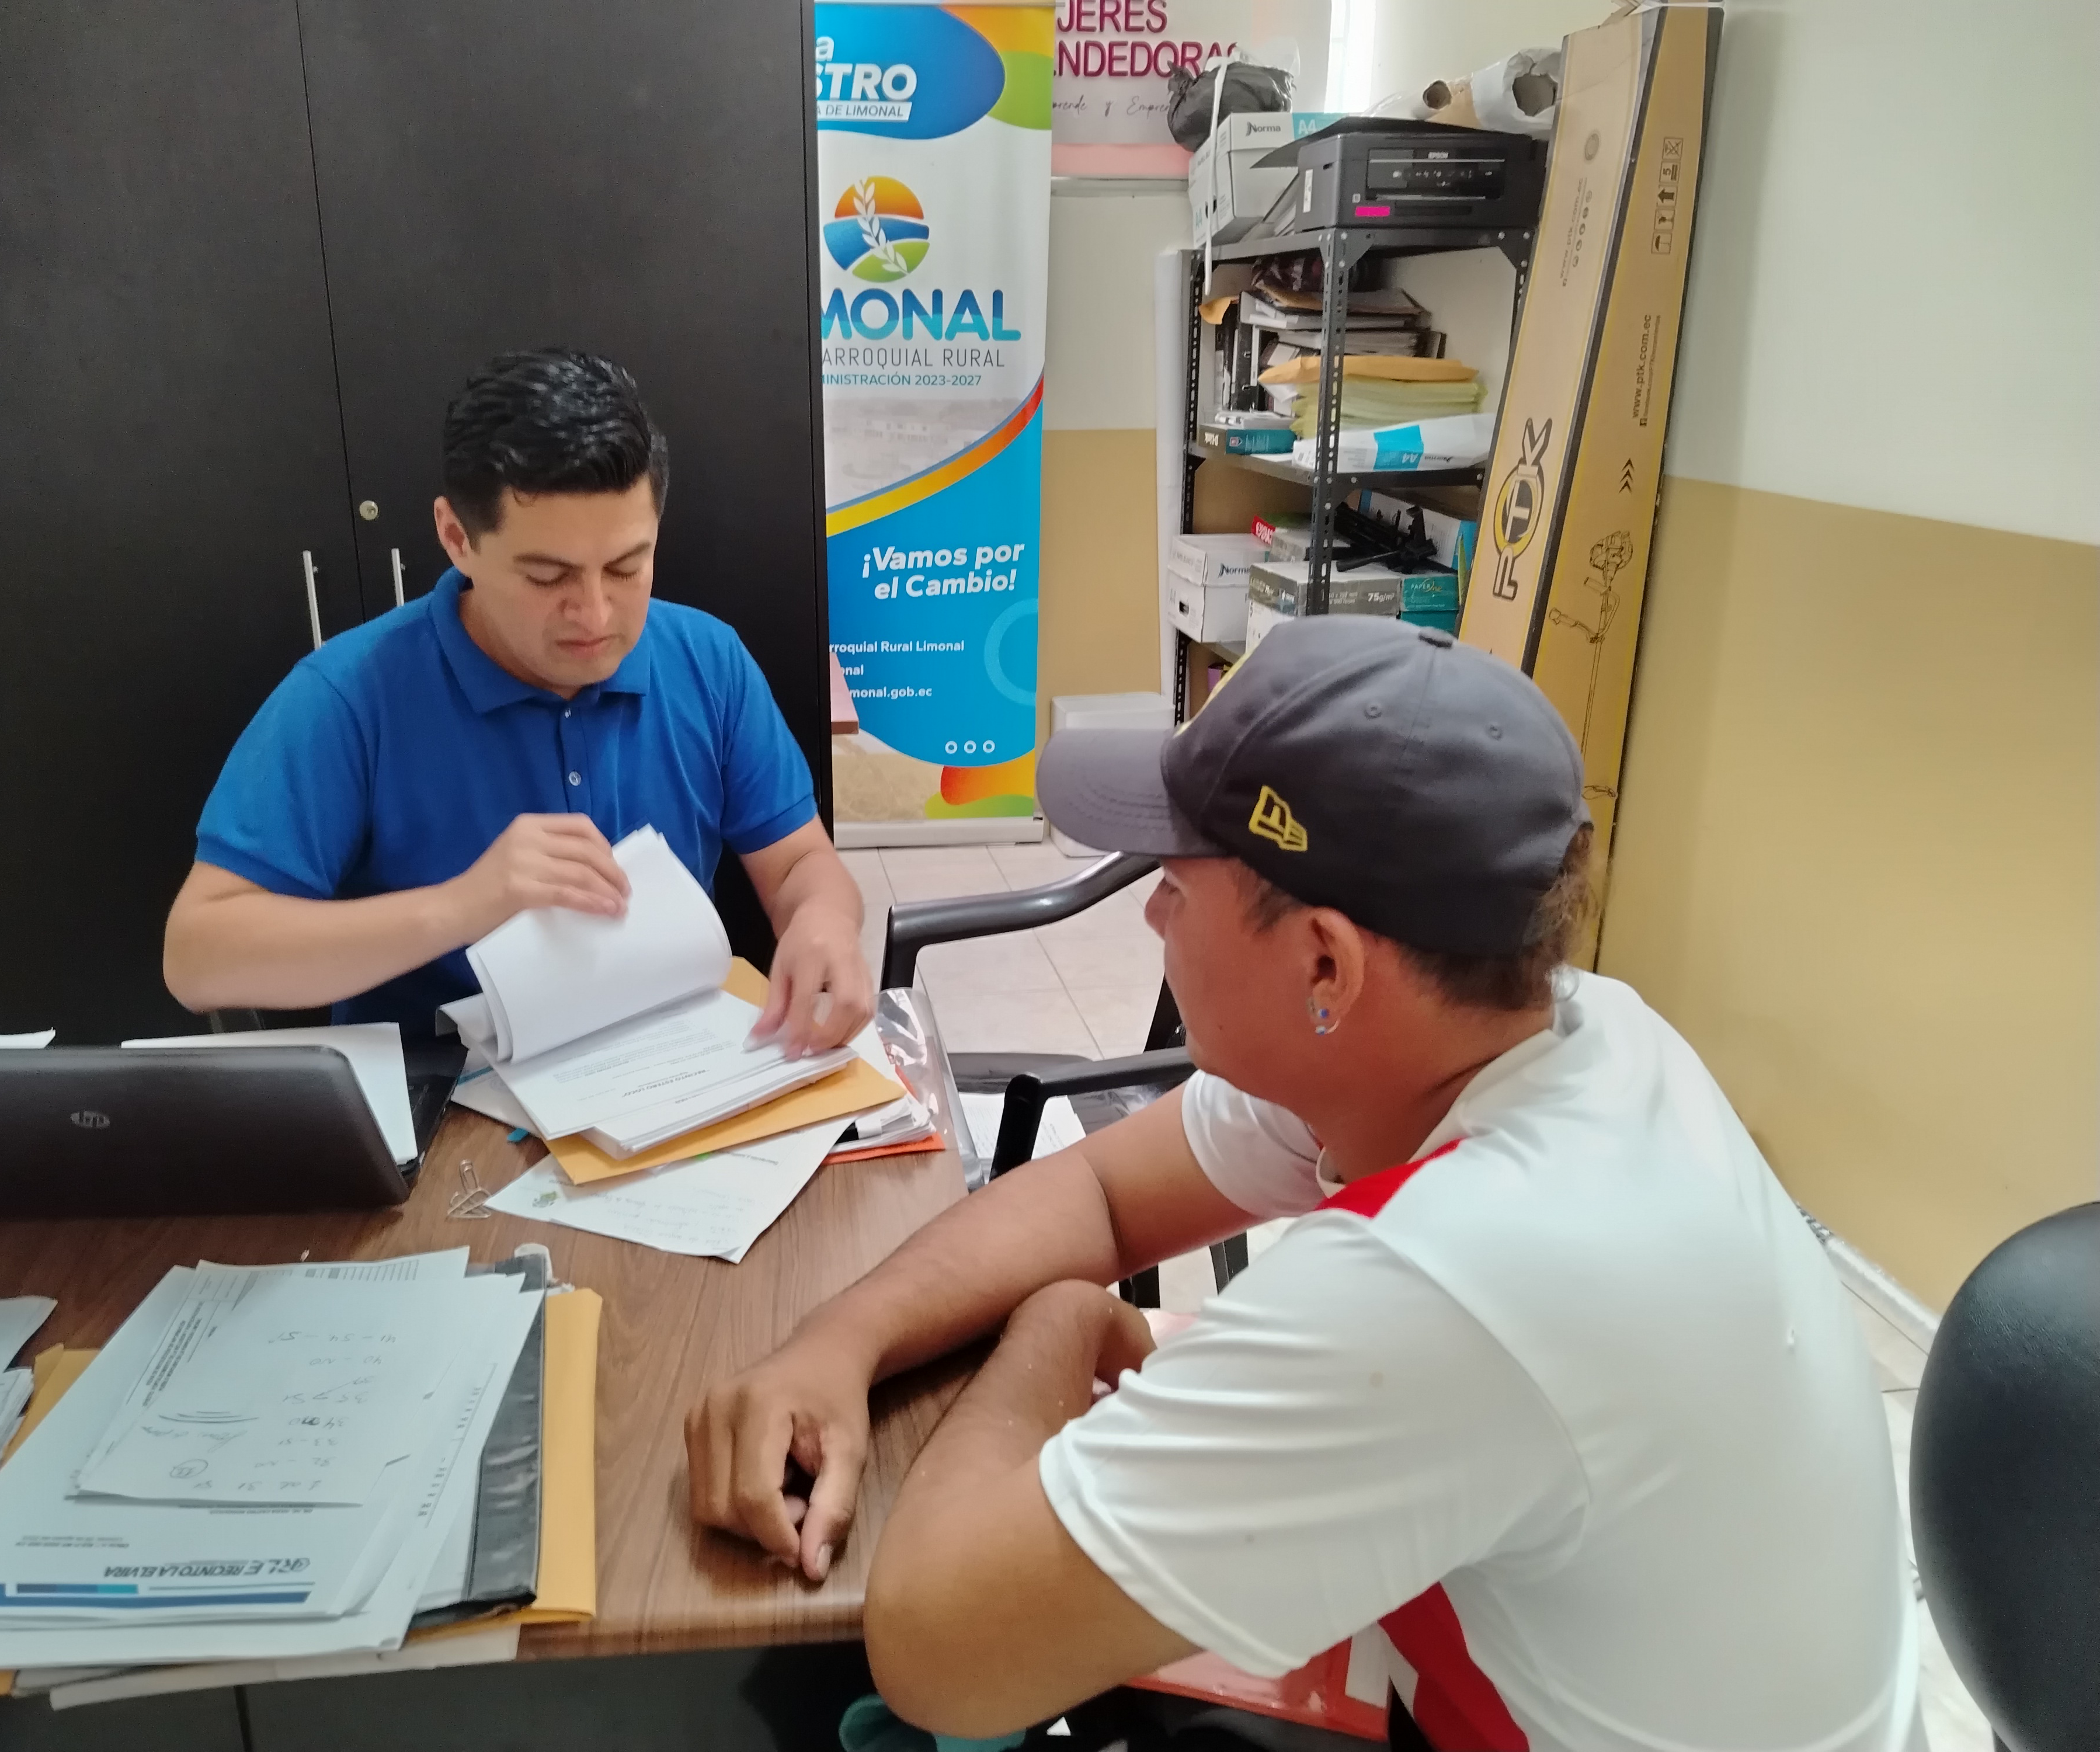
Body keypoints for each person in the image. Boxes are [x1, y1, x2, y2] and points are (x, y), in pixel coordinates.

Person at [686, 618, 1921, 1751]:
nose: (1150, 915)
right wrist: (835, 1344)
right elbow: (1103, 1196)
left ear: (1326, 965)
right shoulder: (1564, 1030)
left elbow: (939, 1653)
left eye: (1177, 883)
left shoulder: (1446, 1280)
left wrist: (1055, 1328)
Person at [164, 348, 868, 1053]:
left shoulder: (707, 661)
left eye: (626, 567)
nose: (595, 615)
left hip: (672, 1064)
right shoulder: (351, 697)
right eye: (546, 577)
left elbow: (799, 864)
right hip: (443, 1088)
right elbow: (198, 957)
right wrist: (461, 906)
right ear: (456, 538)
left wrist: (824, 922)